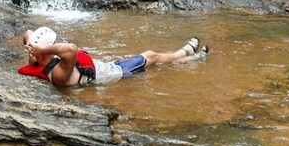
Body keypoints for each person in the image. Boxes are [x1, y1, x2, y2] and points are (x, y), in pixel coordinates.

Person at [19, 26, 207, 87]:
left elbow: (27, 32)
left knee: (154, 60)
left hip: (105, 65)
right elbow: (70, 49)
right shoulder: (58, 74)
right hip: (115, 73)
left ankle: (188, 60)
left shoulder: (36, 60)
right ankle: (185, 54)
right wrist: (42, 49)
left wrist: (33, 44)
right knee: (151, 56)